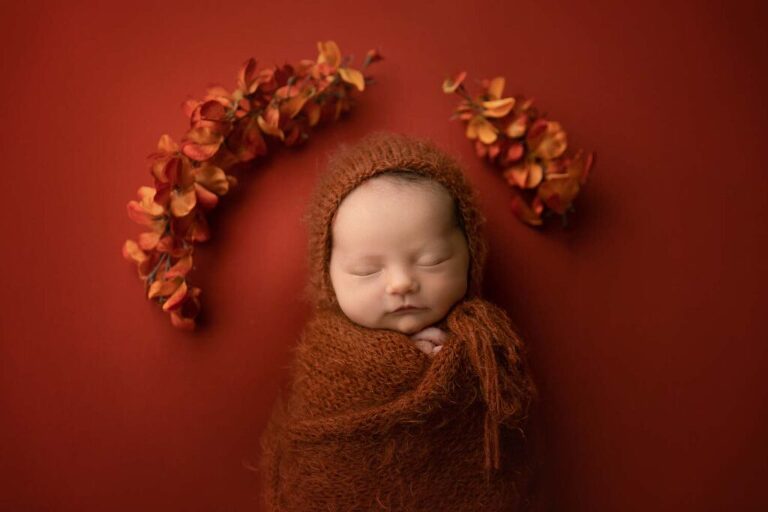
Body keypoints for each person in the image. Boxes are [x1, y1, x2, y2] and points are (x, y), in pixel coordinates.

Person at [259, 131, 538, 511]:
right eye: (365, 270)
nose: (401, 283)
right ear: (328, 277)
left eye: (432, 261)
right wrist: (399, 366)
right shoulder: (323, 359)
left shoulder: (488, 344)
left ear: (471, 254)